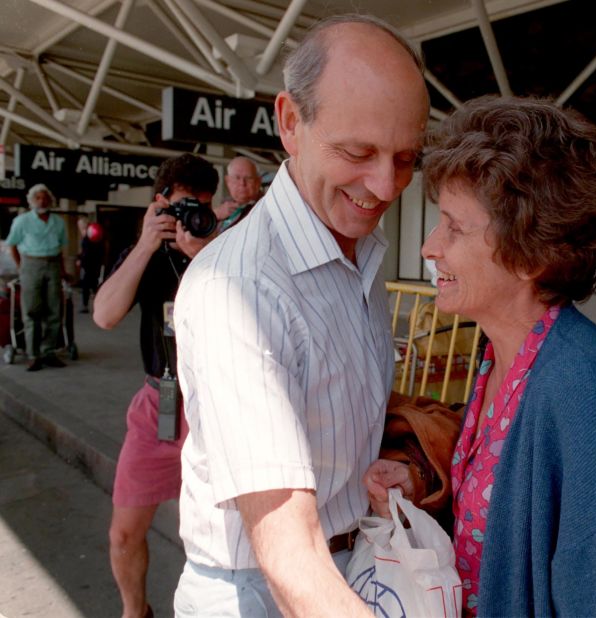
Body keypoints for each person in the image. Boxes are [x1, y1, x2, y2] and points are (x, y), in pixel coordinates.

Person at [364, 96, 596, 617]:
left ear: (530, 252)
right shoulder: (502, 354)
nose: (430, 247)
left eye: (454, 227)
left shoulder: (585, 388)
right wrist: (420, 481)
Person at [171, 13, 429, 617]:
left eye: (405, 158)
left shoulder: (359, 249)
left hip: (351, 561)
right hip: (260, 590)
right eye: (357, 152)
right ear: (290, 123)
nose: (386, 185)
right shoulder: (238, 287)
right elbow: (287, 547)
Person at [93, 154, 218, 618]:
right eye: (184, 206)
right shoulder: (145, 253)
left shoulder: (220, 251)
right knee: (123, 532)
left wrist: (202, 255)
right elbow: (104, 316)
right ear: (160, 204)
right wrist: (146, 245)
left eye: (202, 207)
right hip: (159, 403)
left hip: (216, 408)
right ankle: (134, 612)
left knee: (215, 537)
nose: (193, 218)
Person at [5, 184, 68, 371]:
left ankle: (48, 351)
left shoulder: (58, 222)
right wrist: (21, 267)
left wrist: (63, 271)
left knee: (55, 310)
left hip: (54, 264)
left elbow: (62, 249)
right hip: (31, 264)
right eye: (38, 198)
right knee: (32, 311)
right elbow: (12, 245)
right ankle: (33, 355)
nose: (42, 201)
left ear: (50, 200)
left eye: (44, 197)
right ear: (32, 201)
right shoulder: (22, 221)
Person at [215, 156, 263, 232]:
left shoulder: (265, 207)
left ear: (258, 181)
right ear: (227, 181)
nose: (242, 183)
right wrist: (215, 215)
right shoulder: (223, 206)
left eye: (248, 178)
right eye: (237, 178)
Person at [76, 216, 103, 313]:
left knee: (87, 285)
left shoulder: (89, 235)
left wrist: (81, 259)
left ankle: (85, 306)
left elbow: (87, 251)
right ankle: (98, 305)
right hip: (94, 263)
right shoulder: (94, 233)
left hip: (88, 264)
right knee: (93, 285)